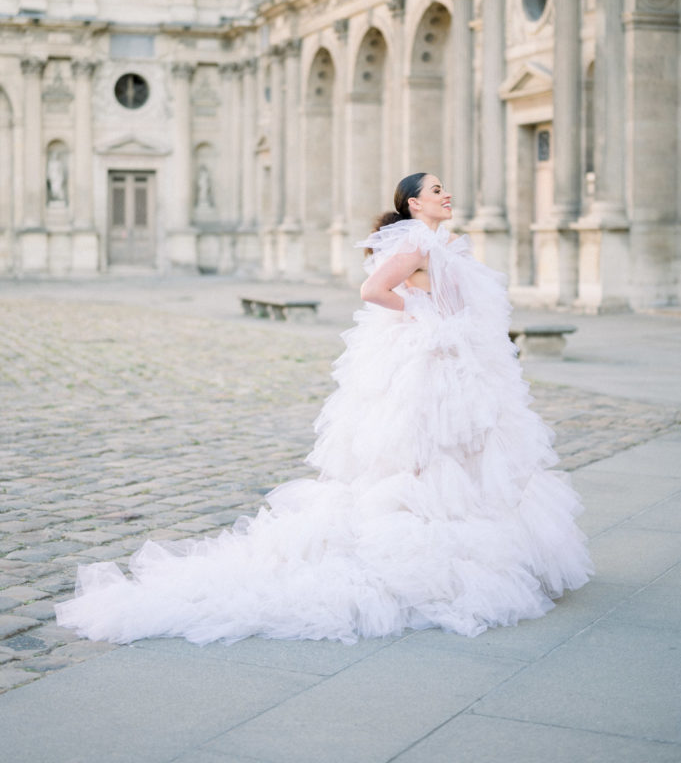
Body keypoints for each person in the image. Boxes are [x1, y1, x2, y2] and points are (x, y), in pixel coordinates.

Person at [56, 172, 592, 646]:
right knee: (424, 447)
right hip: (429, 357)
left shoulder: (447, 244)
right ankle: (426, 533)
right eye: (434, 190)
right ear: (412, 205)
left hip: (461, 360)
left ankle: (470, 524)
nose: (445, 193)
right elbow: (372, 289)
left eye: (443, 188)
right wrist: (423, 313)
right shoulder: (415, 247)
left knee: (469, 446)